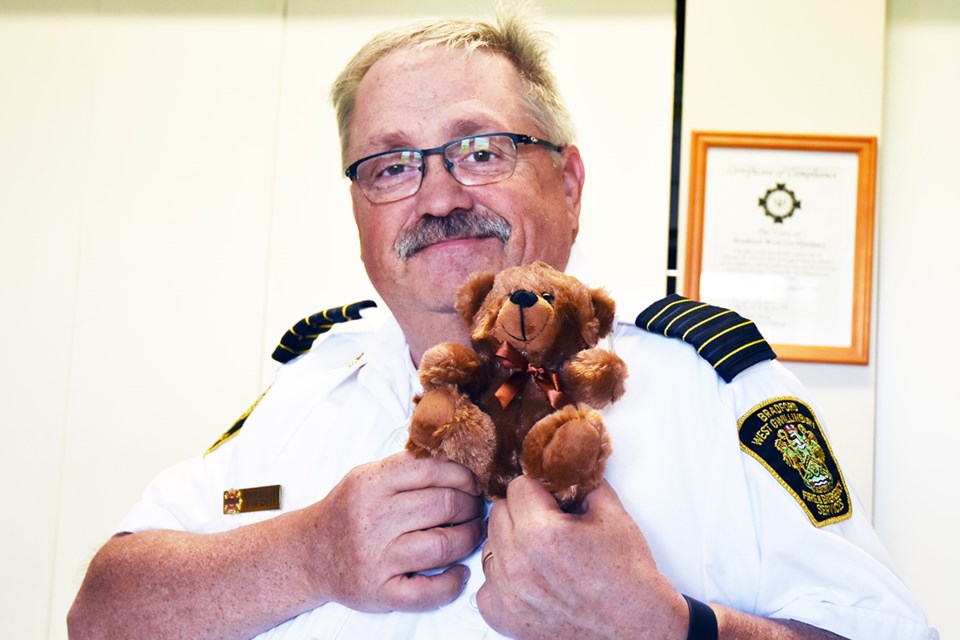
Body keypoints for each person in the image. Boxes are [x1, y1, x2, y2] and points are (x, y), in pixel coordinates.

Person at [68, 9, 937, 640]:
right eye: (391, 164)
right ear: (360, 209)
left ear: (569, 183)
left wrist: (669, 630)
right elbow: (100, 617)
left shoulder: (709, 383)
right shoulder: (313, 385)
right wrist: (307, 553)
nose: (439, 196)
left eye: (480, 149)